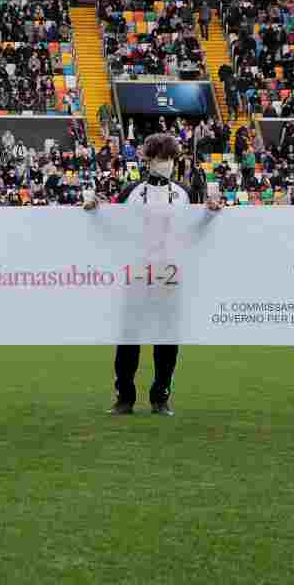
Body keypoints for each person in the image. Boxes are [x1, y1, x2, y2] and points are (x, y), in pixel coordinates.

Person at [82, 133, 222, 416]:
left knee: (167, 339)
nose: (165, 164)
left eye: (169, 158)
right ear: (147, 160)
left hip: (170, 273)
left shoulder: (185, 193)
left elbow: (196, 230)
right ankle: (124, 398)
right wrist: (95, 208)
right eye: (160, 158)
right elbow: (113, 225)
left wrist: (209, 213)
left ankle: (161, 397)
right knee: (128, 338)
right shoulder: (131, 191)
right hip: (137, 271)